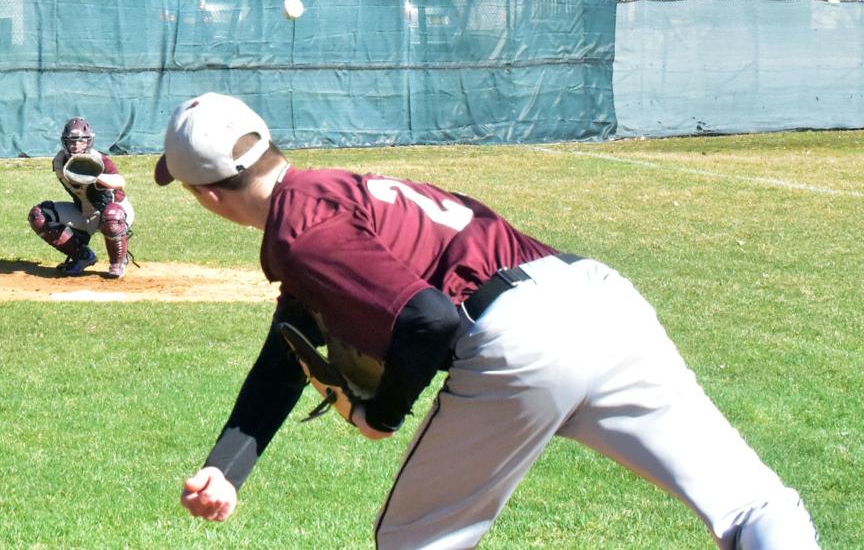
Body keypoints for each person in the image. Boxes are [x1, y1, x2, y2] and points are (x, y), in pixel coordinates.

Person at [157, 92, 820, 550]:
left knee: (412, 538)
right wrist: (227, 466)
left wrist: (381, 415)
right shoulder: (335, 188)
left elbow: (429, 319)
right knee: (749, 502)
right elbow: (290, 346)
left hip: (521, 333)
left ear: (207, 194)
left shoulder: (298, 232)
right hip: (599, 298)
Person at [28, 117, 134, 279]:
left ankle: (118, 261)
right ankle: (82, 256)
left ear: (89, 141)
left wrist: (96, 176)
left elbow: (120, 182)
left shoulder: (99, 159)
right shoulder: (59, 161)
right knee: (39, 215)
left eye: (81, 141)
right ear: (65, 142)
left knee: (112, 216)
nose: (76, 145)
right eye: (72, 142)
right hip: (85, 210)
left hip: (115, 208)